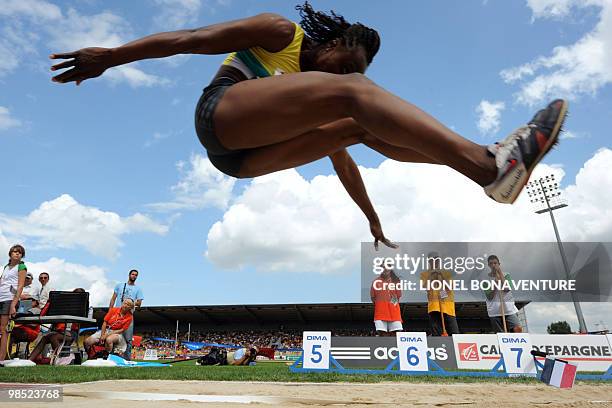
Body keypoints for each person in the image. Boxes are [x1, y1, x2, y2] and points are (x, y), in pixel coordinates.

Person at [49, 3, 567, 248]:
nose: (348, 77)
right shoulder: (281, 34)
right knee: (356, 104)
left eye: (355, 75)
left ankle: (491, 170)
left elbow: (343, 160)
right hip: (221, 116)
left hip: (244, 161)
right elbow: (191, 36)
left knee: (358, 124)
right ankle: (486, 165)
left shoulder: (322, 100)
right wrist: (112, 56)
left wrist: (372, 220)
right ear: (337, 42)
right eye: (348, 65)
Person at [28, 288, 86, 364]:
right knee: (45, 338)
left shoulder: (83, 307)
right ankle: (29, 360)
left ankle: (59, 359)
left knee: (53, 336)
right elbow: (45, 314)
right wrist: (50, 302)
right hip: (60, 331)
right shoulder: (64, 305)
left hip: (72, 333)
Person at [420, 252, 460, 336]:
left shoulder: (447, 273)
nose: (435, 262)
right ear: (429, 261)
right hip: (434, 307)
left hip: (448, 307)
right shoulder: (424, 274)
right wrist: (431, 275)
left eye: (436, 259)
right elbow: (426, 287)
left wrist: (441, 274)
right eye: (432, 260)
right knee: (436, 334)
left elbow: (450, 287)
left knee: (454, 333)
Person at [0, 245, 28, 363]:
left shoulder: (21, 266)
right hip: (1, 297)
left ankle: (1, 359)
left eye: (20, 253)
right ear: (10, 253)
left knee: (3, 329)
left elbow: (20, 286)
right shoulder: (6, 267)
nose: (17, 254)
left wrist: (13, 304)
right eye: (15, 252)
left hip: (9, 298)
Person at [108, 269, 143, 360]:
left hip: (128, 315)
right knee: (113, 336)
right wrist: (110, 311)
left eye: (136, 275)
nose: (134, 276)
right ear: (129, 275)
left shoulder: (138, 289)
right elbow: (113, 299)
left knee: (128, 339)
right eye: (132, 274)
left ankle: (127, 359)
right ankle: (112, 358)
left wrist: (130, 303)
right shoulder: (119, 286)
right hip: (117, 315)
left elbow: (139, 303)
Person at [484, 255, 522, 333]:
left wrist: (500, 273)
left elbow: (507, 288)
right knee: (500, 334)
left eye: (495, 263)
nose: (493, 265)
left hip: (508, 309)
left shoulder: (506, 275)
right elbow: (489, 296)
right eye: (491, 263)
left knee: (517, 329)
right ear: (488, 265)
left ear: (499, 264)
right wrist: (495, 284)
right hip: (494, 311)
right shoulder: (485, 279)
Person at [370, 268, 403, 335]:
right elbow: (373, 297)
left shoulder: (396, 281)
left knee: (396, 335)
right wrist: (380, 305)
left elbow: (398, 295)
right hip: (380, 314)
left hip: (394, 314)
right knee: (382, 335)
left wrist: (392, 304)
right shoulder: (376, 281)